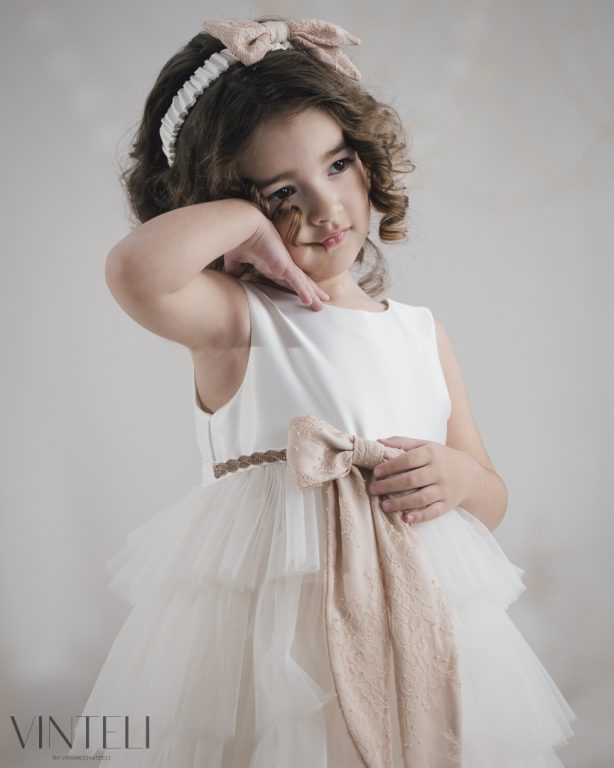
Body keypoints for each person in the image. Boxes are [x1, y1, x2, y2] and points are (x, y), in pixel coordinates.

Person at [69, 16, 576, 767]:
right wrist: (243, 222)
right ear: (225, 204)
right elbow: (133, 272)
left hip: (421, 621)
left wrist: (461, 479)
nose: (325, 208)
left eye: (337, 165)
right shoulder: (238, 322)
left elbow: (489, 498)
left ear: (365, 154)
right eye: (280, 192)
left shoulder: (421, 333)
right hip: (277, 644)